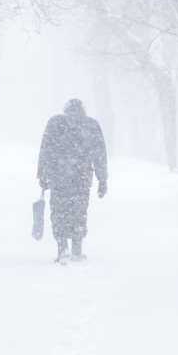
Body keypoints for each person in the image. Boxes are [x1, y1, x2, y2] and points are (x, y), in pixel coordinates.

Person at [37, 98, 108, 263]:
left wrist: (43, 174)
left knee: (59, 213)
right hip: (81, 179)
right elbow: (100, 154)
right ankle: (77, 250)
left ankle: (63, 249)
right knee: (79, 213)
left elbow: (45, 149)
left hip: (59, 178)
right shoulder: (92, 125)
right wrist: (102, 179)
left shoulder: (55, 122)